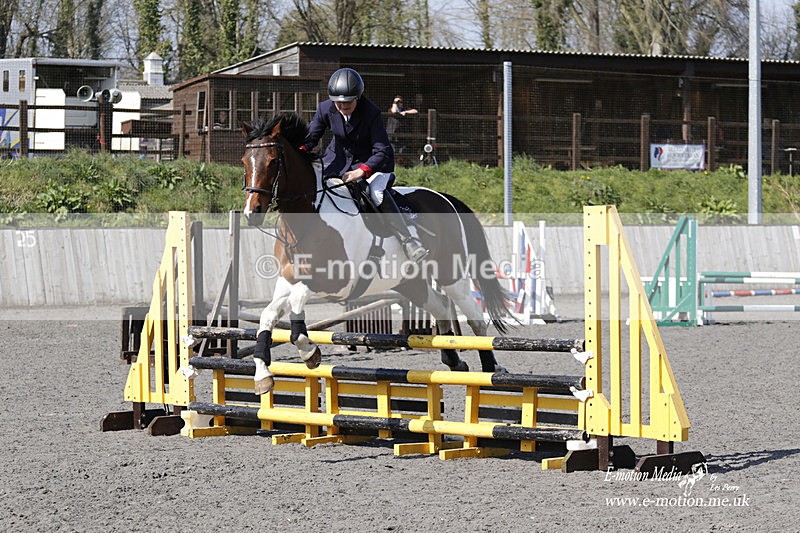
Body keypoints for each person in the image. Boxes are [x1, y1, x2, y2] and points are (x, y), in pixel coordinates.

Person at [302, 68, 428, 263]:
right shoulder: (325, 108)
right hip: (337, 161)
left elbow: (382, 150)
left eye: (348, 101)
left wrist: (361, 171)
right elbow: (310, 139)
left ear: (358, 97)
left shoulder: (371, 112)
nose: (343, 105)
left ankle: (408, 241)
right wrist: (297, 151)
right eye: (339, 101)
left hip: (373, 161)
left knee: (375, 193)